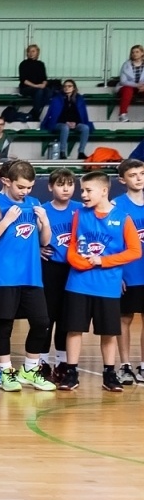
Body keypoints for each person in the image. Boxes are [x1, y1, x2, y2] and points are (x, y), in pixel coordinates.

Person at [0, 159, 56, 392]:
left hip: (31, 274)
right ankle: (6, 372)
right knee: (4, 324)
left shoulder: (34, 203)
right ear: (6, 181)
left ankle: (30, 370)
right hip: (4, 275)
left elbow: (45, 241)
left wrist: (45, 222)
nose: (26, 192)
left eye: (30, 187)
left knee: (42, 322)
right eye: (21, 187)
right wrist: (7, 220)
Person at [58, 170, 140, 392]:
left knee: (108, 332)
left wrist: (102, 261)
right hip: (78, 283)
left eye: (87, 190)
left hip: (108, 286)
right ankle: (71, 372)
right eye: (82, 190)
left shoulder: (123, 218)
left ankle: (109, 373)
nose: (83, 194)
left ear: (104, 191)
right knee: (74, 329)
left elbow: (134, 251)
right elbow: (72, 247)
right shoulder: (79, 215)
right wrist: (82, 263)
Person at [39, 168, 78, 378]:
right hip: (50, 268)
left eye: (70, 184)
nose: (66, 188)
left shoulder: (81, 210)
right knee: (47, 317)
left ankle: (63, 362)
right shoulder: (42, 210)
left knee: (67, 317)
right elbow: (27, 236)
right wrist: (37, 248)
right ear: (50, 186)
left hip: (75, 270)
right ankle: (42, 362)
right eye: (61, 184)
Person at [113, 158, 144, 382]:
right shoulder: (116, 205)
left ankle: (143, 365)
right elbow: (112, 242)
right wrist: (118, 273)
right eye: (133, 175)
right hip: (128, 272)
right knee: (125, 319)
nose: (139, 178)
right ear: (122, 180)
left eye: (141, 173)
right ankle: (124, 365)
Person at [41, 79, 93, 160]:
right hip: (59, 123)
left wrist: (76, 123)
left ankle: (81, 152)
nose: (67, 88)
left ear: (74, 88)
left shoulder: (79, 99)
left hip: (75, 123)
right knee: (65, 127)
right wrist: (66, 122)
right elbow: (55, 115)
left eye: (69, 86)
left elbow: (81, 114)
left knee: (85, 128)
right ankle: (62, 152)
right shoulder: (57, 98)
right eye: (65, 86)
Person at [18, 43, 51, 120]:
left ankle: (33, 113)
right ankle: (36, 115)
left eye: (33, 51)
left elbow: (44, 78)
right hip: (26, 88)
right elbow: (24, 80)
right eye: (29, 51)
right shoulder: (23, 64)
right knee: (39, 91)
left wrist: (43, 84)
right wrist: (37, 86)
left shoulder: (41, 64)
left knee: (49, 92)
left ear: (37, 52)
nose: (31, 53)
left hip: (39, 87)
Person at [117, 45, 144, 122]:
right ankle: (122, 115)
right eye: (133, 52)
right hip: (127, 87)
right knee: (128, 90)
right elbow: (123, 81)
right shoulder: (126, 65)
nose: (134, 54)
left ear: (142, 53)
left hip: (142, 88)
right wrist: (137, 85)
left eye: (137, 52)